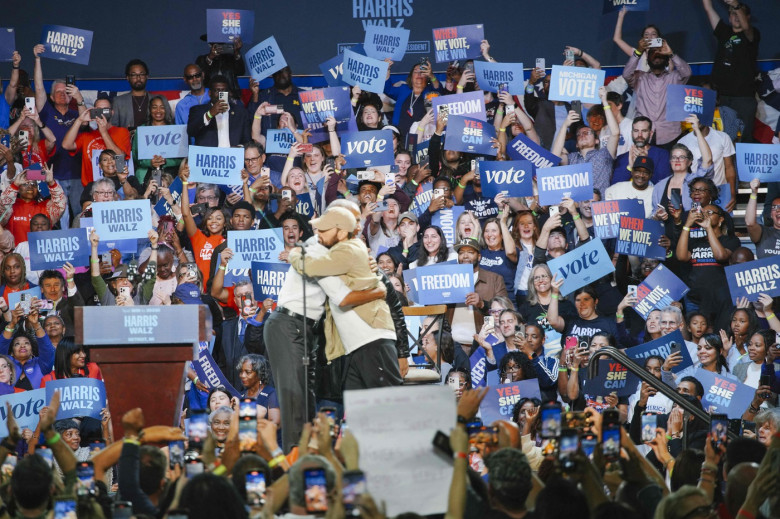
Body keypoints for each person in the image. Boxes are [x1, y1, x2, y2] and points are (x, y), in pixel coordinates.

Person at [31, 45, 88, 224]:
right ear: (52, 97)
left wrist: (79, 98)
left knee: (81, 215)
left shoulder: (76, 113)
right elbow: (39, 88)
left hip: (78, 173)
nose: (63, 95)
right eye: (58, 92)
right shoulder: (46, 111)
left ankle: (85, 250)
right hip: (55, 174)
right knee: (61, 218)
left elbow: (85, 121)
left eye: (66, 92)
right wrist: (37, 59)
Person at [700, 0, 760, 143]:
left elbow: (746, 28)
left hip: (744, 98)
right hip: (723, 97)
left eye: (740, 13)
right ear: (729, 17)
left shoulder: (752, 35)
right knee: (724, 138)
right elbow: (708, 8)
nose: (736, 16)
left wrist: (735, 4)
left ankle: (741, 165)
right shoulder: (724, 31)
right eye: (732, 13)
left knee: (744, 137)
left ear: (747, 17)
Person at [622, 36, 692, 147]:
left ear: (667, 59)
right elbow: (626, 74)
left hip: (670, 135)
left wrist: (671, 53)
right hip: (644, 136)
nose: (657, 55)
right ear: (647, 59)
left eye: (660, 53)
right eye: (653, 53)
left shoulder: (674, 78)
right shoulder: (640, 78)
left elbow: (687, 73)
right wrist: (638, 52)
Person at [552, 86, 619, 195]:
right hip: (577, 206)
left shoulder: (604, 154)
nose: (582, 135)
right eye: (579, 134)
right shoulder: (571, 158)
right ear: (577, 144)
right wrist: (564, 126)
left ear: (597, 141)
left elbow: (615, 133)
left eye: (587, 133)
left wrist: (604, 102)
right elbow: (554, 157)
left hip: (599, 208)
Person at [61, 95, 132, 188]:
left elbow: (120, 159)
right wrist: (79, 120)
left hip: (117, 186)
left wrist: (104, 133)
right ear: (93, 112)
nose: (102, 113)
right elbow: (66, 145)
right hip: (91, 187)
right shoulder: (87, 135)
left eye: (105, 110)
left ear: (112, 112)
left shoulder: (122, 132)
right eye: (98, 110)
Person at [677, 120, 736, 211]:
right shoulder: (683, 142)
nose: (697, 120)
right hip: (696, 194)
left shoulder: (723, 137)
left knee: (722, 222)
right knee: (697, 222)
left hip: (720, 190)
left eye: (700, 117)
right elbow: (681, 173)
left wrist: (732, 193)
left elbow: (729, 167)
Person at [0, 165, 65, 245]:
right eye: (25, 184)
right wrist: (14, 185)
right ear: (18, 189)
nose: (30, 186)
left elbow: (60, 204)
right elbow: (2, 206)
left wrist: (52, 183)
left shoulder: (46, 207)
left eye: (33, 184)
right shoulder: (11, 207)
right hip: (15, 255)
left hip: (41, 253)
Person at [187, 75, 250, 147]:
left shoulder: (241, 112)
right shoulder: (197, 110)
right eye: (217, 90)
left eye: (223, 91)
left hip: (232, 156)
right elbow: (191, 131)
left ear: (229, 93)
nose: (220, 94)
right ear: (210, 93)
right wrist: (209, 114)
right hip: (209, 156)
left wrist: (239, 147)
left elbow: (247, 140)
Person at [132, 95, 184, 183]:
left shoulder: (176, 130)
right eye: (154, 107)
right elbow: (135, 157)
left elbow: (182, 158)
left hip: (171, 175)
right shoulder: (142, 130)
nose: (158, 111)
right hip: (146, 176)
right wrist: (150, 162)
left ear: (166, 109)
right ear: (149, 110)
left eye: (162, 107)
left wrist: (166, 161)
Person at [0, 305, 54, 390]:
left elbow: (46, 348)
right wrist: (12, 323)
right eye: (17, 344)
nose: (22, 345)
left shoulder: (41, 365)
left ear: (32, 351)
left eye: (27, 343)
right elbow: (2, 344)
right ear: (11, 352)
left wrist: (36, 324)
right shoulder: (6, 364)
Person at [111, 59, 173, 130]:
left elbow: (169, 123)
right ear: (128, 78)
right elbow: (113, 128)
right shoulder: (118, 101)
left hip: (154, 139)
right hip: (127, 140)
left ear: (147, 76)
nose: (138, 78)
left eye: (142, 74)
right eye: (134, 75)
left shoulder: (158, 100)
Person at [611, 116, 672, 185]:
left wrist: (645, 163)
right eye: (636, 131)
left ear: (651, 133)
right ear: (631, 134)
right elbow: (615, 186)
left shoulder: (662, 155)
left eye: (644, 131)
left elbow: (662, 185)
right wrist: (630, 167)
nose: (639, 135)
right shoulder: (621, 158)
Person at [236, 354, 280, 425]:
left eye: (248, 372)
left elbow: (275, 424)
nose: (242, 375)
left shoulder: (271, 393)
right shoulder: (240, 395)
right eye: (241, 371)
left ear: (260, 374)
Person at [745, 179, 780, 259]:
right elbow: (750, 223)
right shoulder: (764, 233)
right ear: (771, 214)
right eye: (774, 207)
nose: (778, 210)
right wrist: (754, 193)